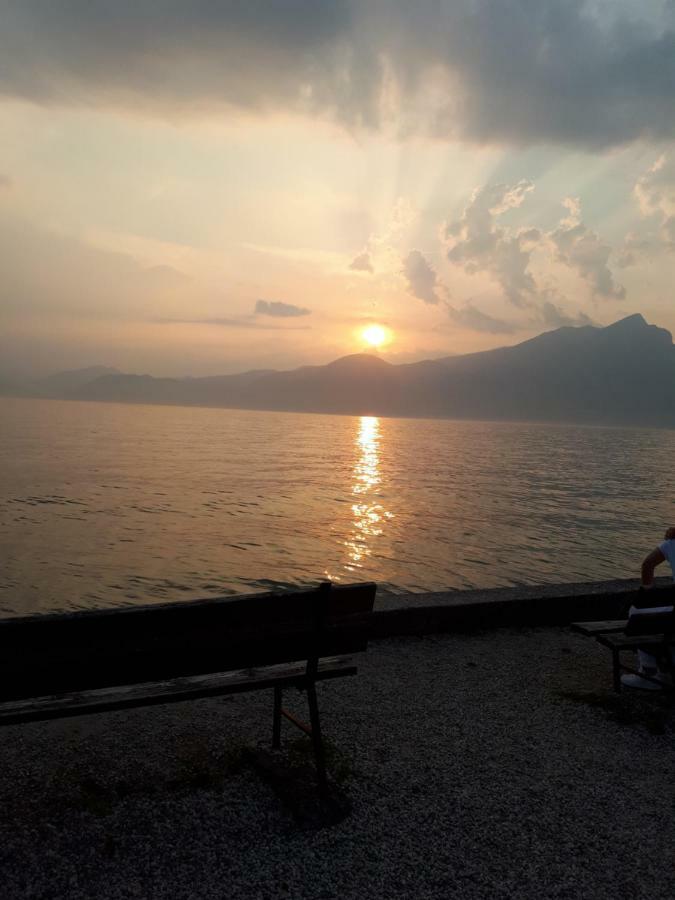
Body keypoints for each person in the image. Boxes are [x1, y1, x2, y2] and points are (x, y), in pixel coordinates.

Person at [621, 527, 675, 689]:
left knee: (638, 614)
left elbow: (648, 565)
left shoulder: (671, 544)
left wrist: (648, 592)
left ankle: (650, 673)